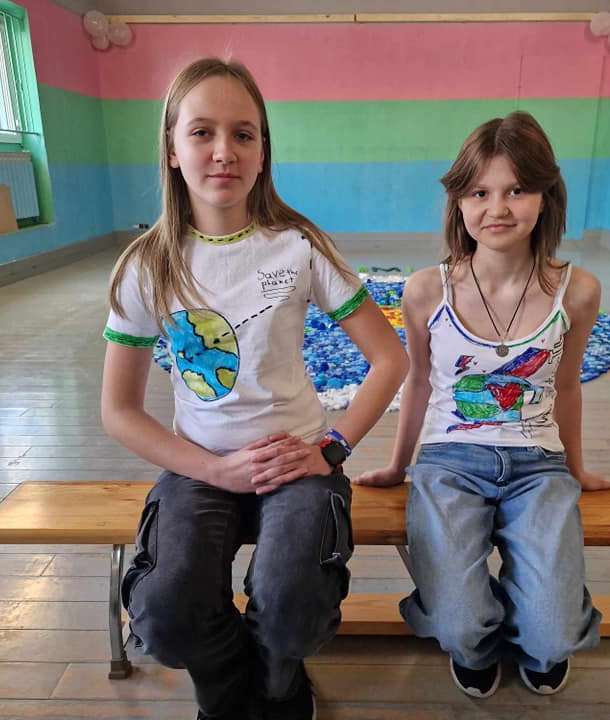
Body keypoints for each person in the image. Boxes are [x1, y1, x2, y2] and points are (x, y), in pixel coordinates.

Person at [101, 57, 407, 720]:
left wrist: (331, 448)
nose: (224, 151)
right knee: (165, 613)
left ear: (264, 151)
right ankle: (228, 689)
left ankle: (278, 686)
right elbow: (119, 411)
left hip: (296, 465)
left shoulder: (299, 247)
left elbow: (389, 359)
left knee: (295, 604)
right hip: (201, 467)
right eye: (202, 132)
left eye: (244, 134)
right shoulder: (147, 265)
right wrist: (214, 469)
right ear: (172, 149)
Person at [355, 111, 610, 698]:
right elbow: (418, 381)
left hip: (538, 466)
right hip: (449, 463)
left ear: (545, 197)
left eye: (516, 190)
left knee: (552, 636)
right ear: (459, 201)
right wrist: (398, 466)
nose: (497, 208)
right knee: (458, 624)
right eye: (479, 192)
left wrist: (575, 469)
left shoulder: (577, 290)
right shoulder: (427, 289)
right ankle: (478, 634)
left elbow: (567, 385)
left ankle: (534, 623)